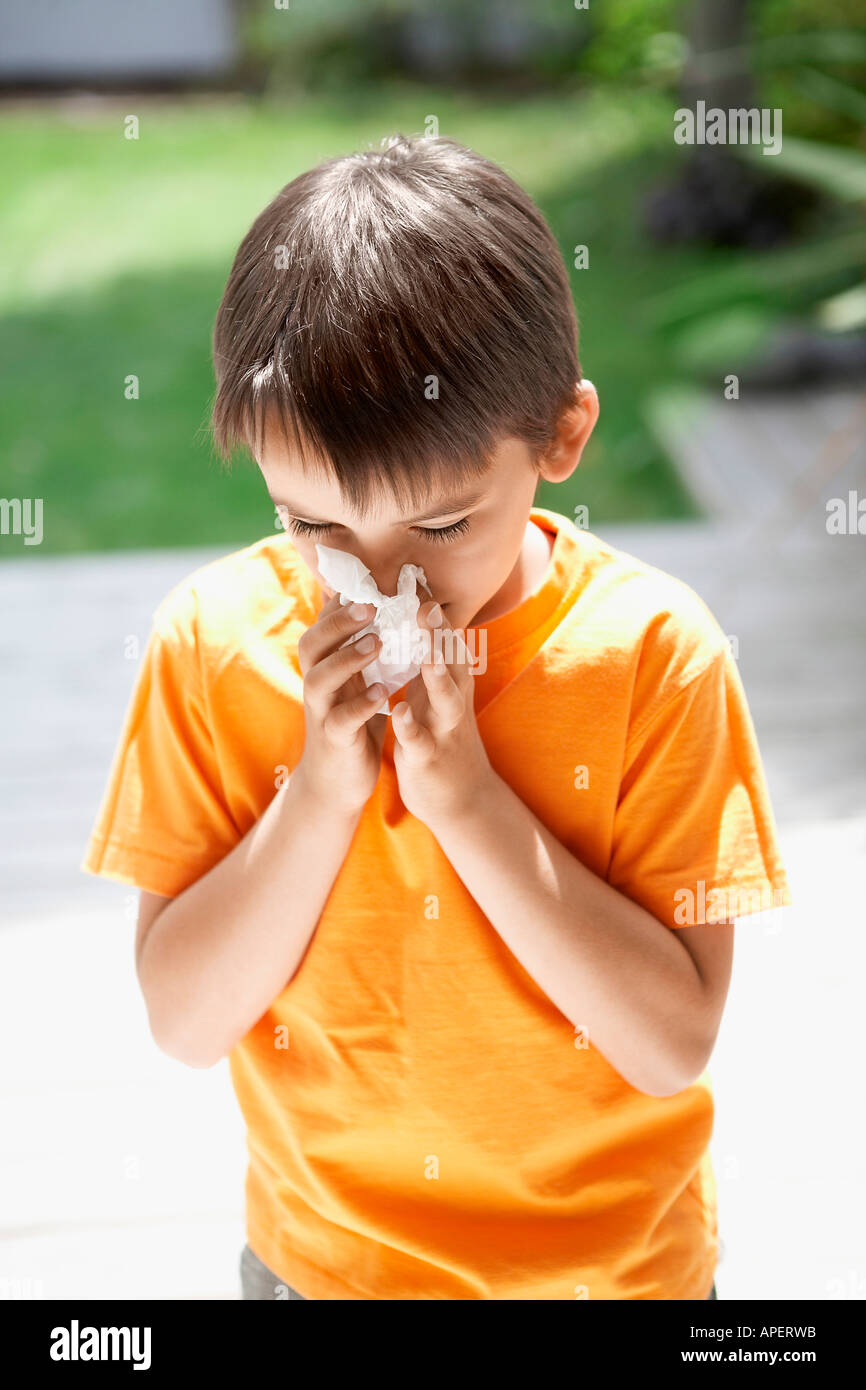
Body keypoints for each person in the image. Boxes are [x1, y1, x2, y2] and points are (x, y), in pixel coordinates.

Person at [81, 134, 791, 1300]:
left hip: (612, 1280)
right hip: (323, 1270)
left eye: (444, 526)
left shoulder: (654, 657)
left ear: (561, 437)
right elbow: (185, 1021)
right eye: (314, 527)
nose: (378, 583)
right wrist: (316, 794)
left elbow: (669, 1045)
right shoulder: (214, 644)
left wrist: (466, 802)